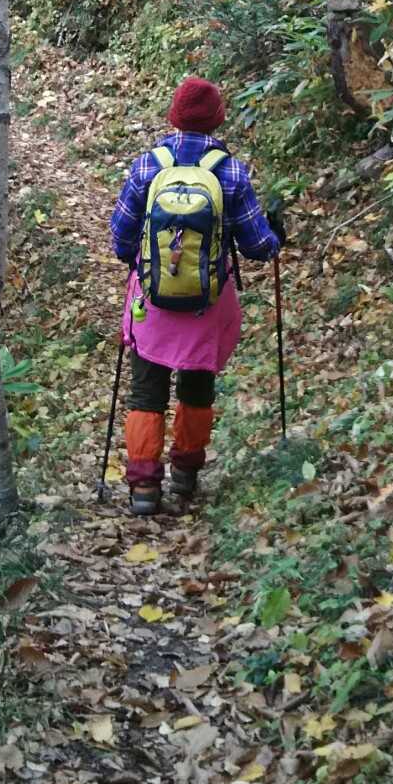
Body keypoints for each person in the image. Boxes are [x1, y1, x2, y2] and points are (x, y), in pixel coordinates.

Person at [109, 76, 285, 516]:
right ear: (217, 120)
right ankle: (186, 473)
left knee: (145, 392)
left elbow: (120, 238)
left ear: (174, 117)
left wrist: (140, 264)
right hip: (208, 303)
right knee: (197, 385)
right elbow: (258, 247)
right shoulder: (231, 172)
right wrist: (276, 235)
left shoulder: (147, 167)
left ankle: (143, 487)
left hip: (152, 301)